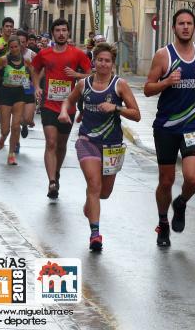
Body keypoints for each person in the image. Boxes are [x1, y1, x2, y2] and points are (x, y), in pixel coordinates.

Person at [58, 42, 140, 250]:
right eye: (100, 60)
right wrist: (64, 111)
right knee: (94, 185)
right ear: (94, 62)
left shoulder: (119, 85)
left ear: (113, 64)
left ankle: (90, 204)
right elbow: (69, 100)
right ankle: (95, 234)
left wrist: (116, 107)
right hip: (87, 141)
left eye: (107, 61)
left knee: (104, 193)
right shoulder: (84, 84)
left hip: (112, 145)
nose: (103, 64)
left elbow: (136, 115)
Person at [144, 8, 195, 247]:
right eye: (181, 23)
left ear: (194, 27)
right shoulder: (163, 55)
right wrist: (166, 82)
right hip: (166, 127)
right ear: (174, 28)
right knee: (166, 181)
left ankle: (181, 202)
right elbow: (147, 88)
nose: (185, 27)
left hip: (193, 124)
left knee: (193, 178)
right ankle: (163, 223)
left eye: (189, 23)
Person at [32, 18, 91, 199]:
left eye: (64, 30)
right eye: (57, 30)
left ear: (68, 33)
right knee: (51, 142)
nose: (61, 33)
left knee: (61, 144)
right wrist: (37, 87)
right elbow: (34, 70)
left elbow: (91, 75)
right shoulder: (44, 53)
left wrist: (76, 75)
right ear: (52, 33)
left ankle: (56, 172)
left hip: (69, 106)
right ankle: (51, 182)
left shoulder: (77, 54)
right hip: (49, 104)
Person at [0, 36, 34, 165]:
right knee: (6, 129)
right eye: (12, 47)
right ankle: (2, 137)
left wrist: (33, 94)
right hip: (6, 93)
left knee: (16, 126)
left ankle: (11, 154)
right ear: (9, 48)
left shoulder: (26, 61)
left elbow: (31, 78)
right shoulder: (3, 60)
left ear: (20, 47)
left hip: (19, 93)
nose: (14, 49)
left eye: (16, 46)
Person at [17, 29, 37, 145]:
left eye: (23, 42)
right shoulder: (10, 54)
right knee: (17, 116)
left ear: (27, 42)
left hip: (27, 84)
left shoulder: (32, 55)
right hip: (13, 85)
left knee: (28, 119)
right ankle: (16, 142)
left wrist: (36, 85)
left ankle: (25, 124)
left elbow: (40, 71)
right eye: (19, 42)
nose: (21, 45)